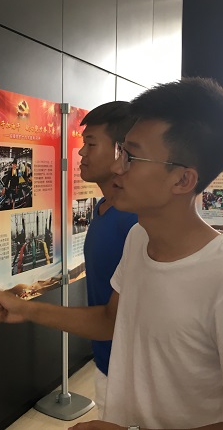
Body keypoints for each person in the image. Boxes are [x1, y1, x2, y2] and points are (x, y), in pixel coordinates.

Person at [0, 78, 223, 430]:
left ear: (182, 180)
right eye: (121, 153)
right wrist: (26, 309)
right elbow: (111, 321)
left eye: (131, 156)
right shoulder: (138, 239)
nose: (118, 168)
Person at [77, 101, 139, 417]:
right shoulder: (104, 207)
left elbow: (112, 317)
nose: (81, 153)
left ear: (120, 151)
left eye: (91, 144)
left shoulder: (135, 221)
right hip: (105, 362)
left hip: (132, 375)